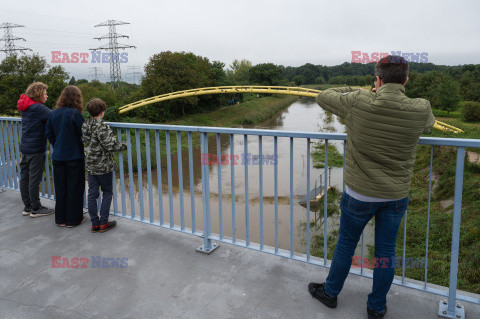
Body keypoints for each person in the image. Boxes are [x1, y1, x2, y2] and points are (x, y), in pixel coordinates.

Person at [308, 55, 435, 319]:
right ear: (406, 80)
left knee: (345, 245)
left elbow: (323, 96)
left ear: (377, 79)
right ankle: (376, 308)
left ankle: (330, 293)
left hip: (359, 195)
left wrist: (359, 91)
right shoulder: (421, 108)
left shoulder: (358, 102)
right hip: (396, 196)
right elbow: (430, 124)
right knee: (386, 252)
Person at [82, 98, 126, 233]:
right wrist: (123, 145)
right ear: (102, 112)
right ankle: (103, 222)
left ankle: (94, 223)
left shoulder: (85, 125)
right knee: (107, 192)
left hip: (90, 165)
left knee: (92, 194)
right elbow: (110, 145)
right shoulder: (102, 126)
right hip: (103, 166)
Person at [46, 86, 86, 228]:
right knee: (74, 187)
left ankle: (61, 219)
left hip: (58, 156)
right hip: (74, 156)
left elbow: (49, 133)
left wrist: (57, 144)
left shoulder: (53, 113)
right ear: (77, 98)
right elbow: (85, 134)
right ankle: (73, 219)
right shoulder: (75, 114)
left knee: (60, 187)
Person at [17, 82, 54, 217]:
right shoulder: (38, 108)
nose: (47, 96)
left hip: (26, 147)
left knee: (25, 178)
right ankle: (36, 208)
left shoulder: (25, 107)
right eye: (45, 93)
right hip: (36, 148)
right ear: (39, 94)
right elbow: (55, 116)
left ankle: (27, 207)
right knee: (34, 179)